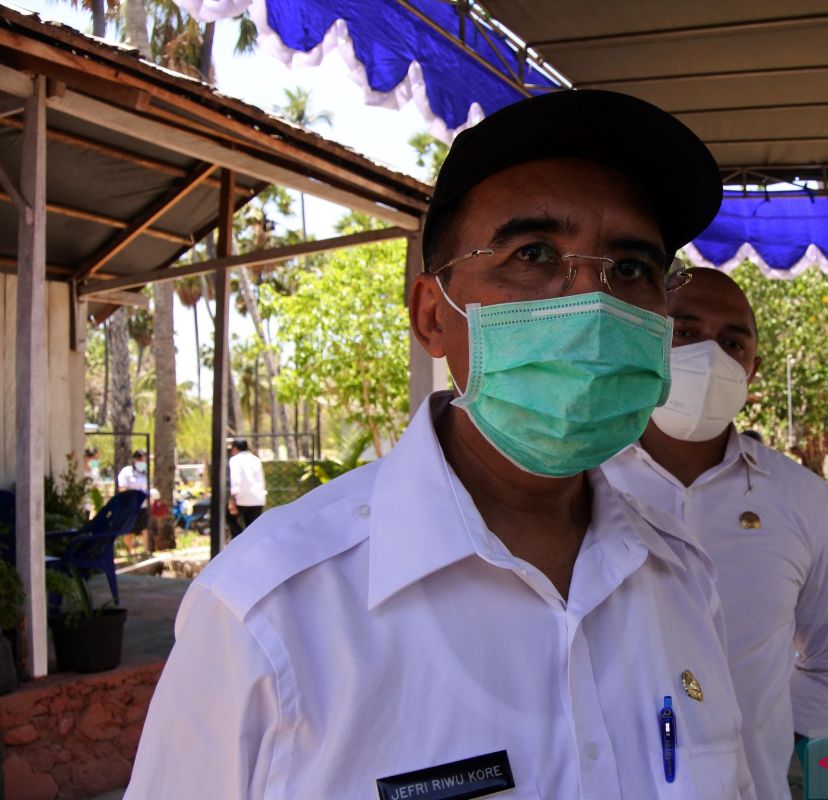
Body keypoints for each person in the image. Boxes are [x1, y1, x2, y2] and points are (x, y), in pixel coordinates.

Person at [127, 90, 755, 799]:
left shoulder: (681, 579)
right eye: (535, 253)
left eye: (632, 268)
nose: (593, 303)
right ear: (434, 316)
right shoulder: (272, 614)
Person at [603, 269, 828, 800]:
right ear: (643, 338)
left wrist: (773, 733)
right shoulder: (580, 480)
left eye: (731, 343)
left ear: (753, 369)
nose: (709, 357)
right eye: (683, 331)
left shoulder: (801, 497)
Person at [226, 439, 266, 538]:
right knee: (252, 527)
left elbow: (236, 479)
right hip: (258, 498)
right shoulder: (255, 459)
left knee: (229, 518)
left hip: (242, 498)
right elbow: (261, 479)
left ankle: (239, 539)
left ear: (235, 448)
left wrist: (233, 499)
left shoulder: (235, 460)